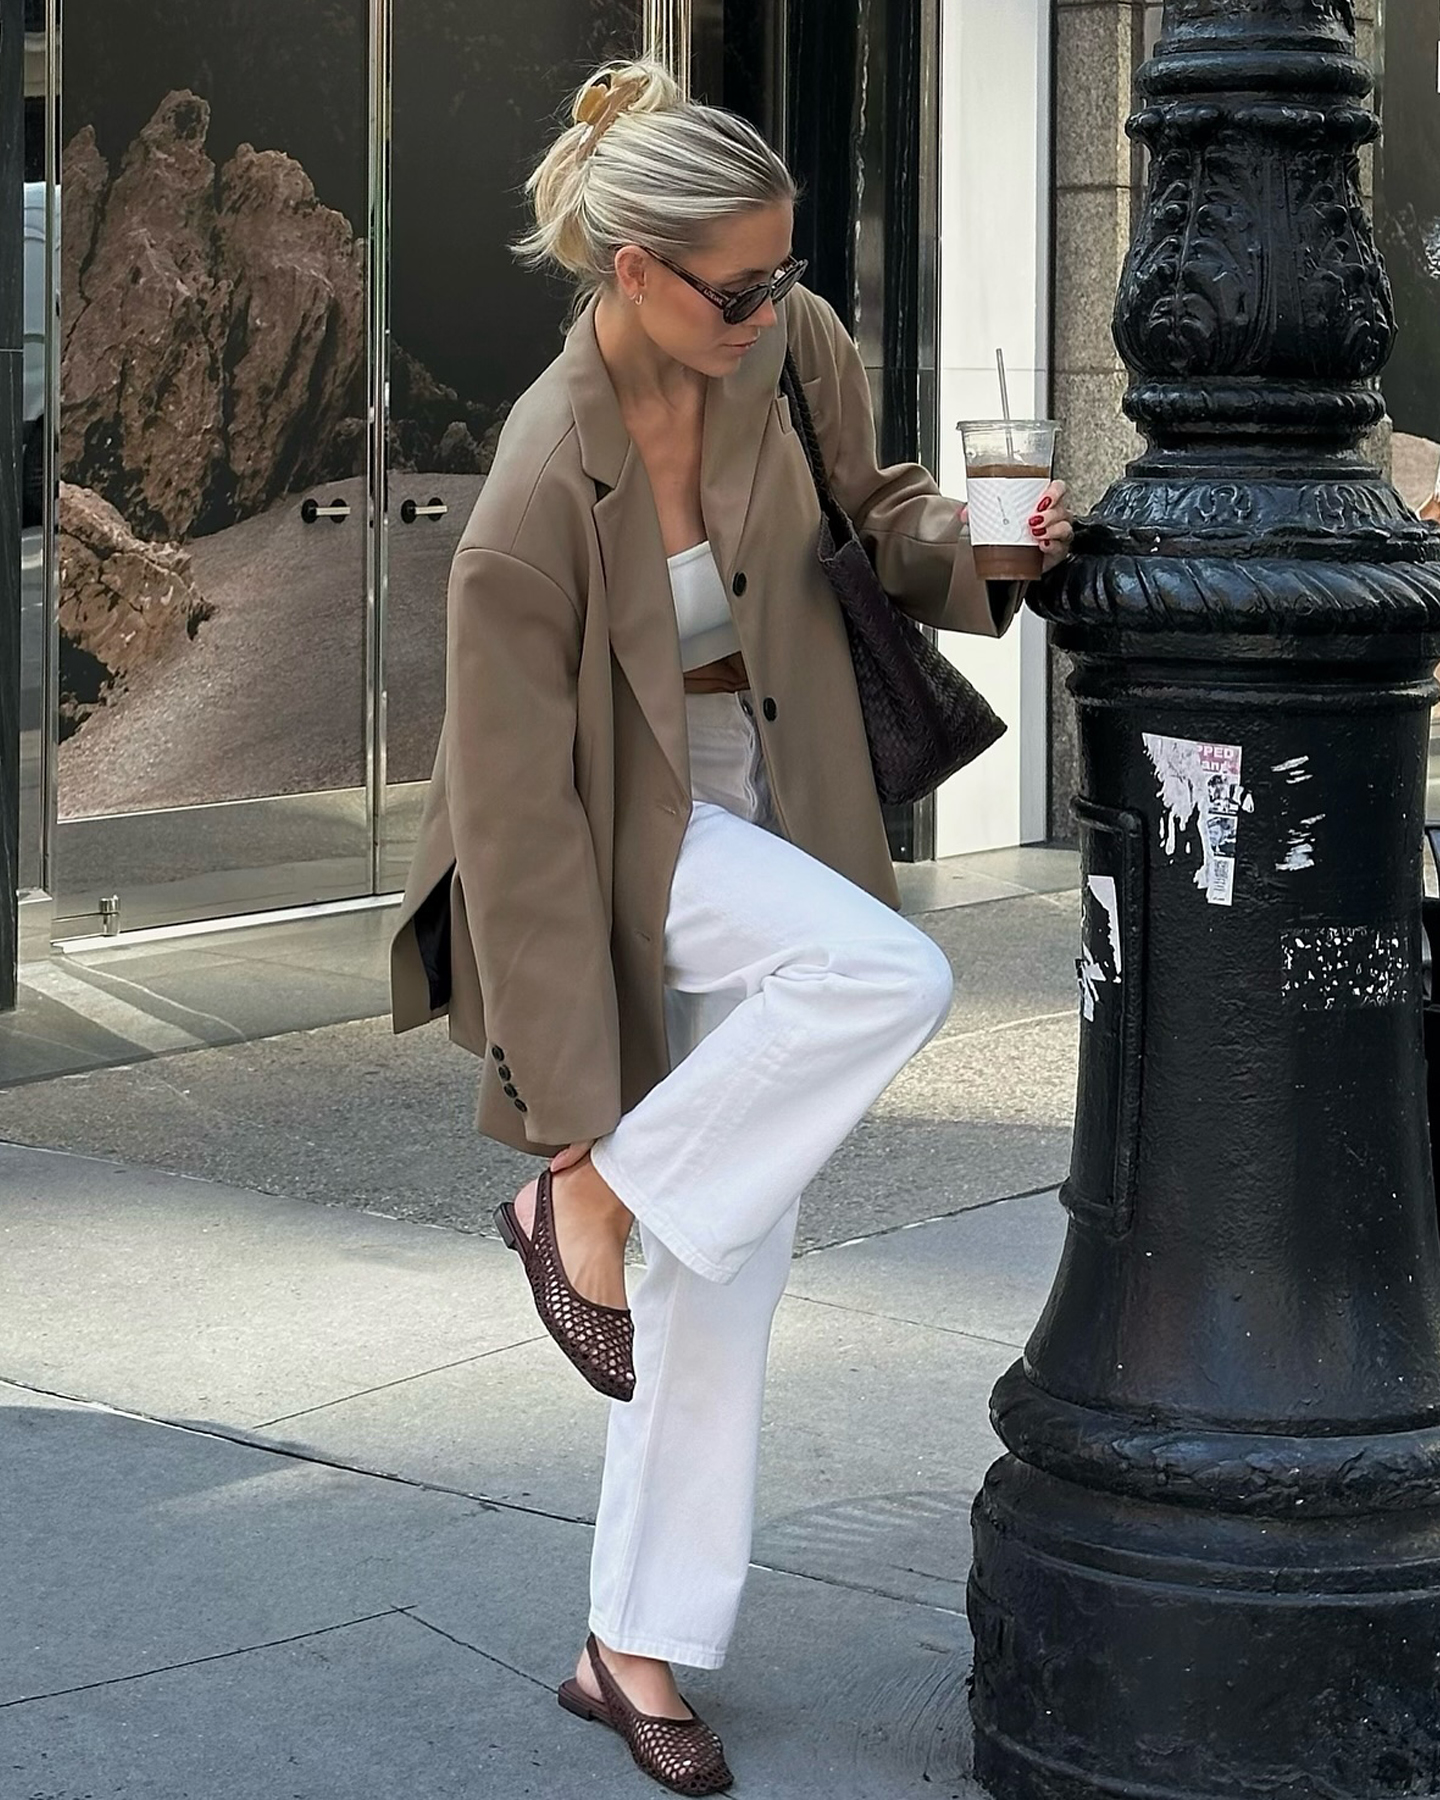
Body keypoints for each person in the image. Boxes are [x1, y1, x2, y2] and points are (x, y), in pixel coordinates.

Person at [390, 59, 1073, 1797]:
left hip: (780, 774)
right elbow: (517, 824)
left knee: (731, 1247)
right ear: (629, 270)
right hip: (621, 825)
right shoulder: (537, 497)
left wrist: (992, 541)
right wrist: (571, 1111)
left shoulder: (789, 344)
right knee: (885, 971)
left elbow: (877, 517)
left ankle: (631, 1641)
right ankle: (586, 1197)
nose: (773, 306)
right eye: (739, 282)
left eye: (782, 273)